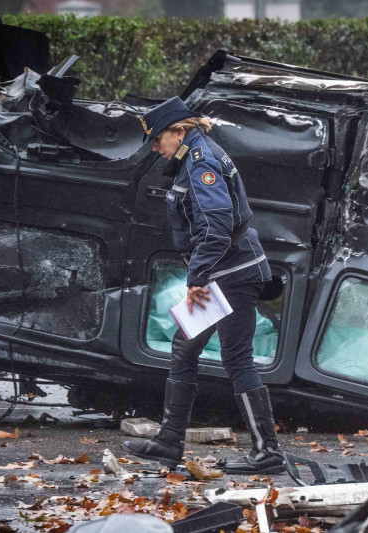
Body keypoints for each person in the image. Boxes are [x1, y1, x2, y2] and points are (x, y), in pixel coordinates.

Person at [121, 97, 284, 475]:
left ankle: (266, 451)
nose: (156, 149)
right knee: (185, 348)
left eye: (159, 140)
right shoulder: (194, 156)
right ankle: (168, 443)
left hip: (232, 274)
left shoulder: (201, 162)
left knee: (236, 358)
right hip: (225, 272)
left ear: (180, 131)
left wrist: (196, 278)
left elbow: (217, 226)